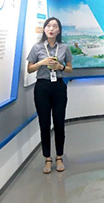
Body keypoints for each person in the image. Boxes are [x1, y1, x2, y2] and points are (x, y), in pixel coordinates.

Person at [26, 17, 73, 174]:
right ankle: (47, 158)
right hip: (42, 87)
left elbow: (70, 69)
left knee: (59, 123)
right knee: (44, 124)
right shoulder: (37, 47)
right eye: (48, 26)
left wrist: (61, 66)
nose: (51, 29)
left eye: (55, 26)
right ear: (44, 29)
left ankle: (59, 156)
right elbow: (30, 69)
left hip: (58, 87)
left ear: (59, 30)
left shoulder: (64, 47)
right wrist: (42, 62)